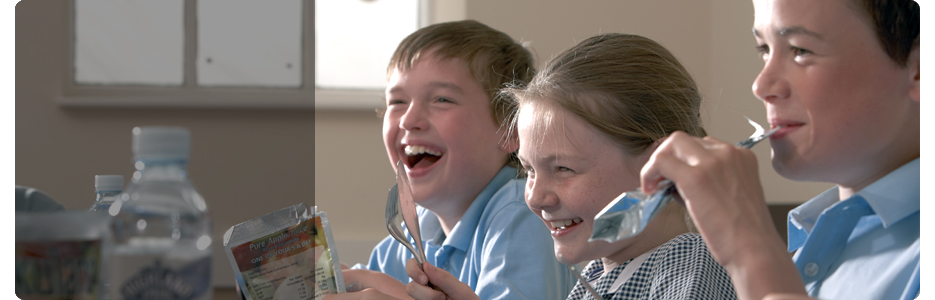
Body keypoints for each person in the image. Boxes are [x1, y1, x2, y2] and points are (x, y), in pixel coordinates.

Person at [406, 33, 739, 300]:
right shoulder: (596, 273)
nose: (535, 197)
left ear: (661, 169)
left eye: (563, 169)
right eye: (529, 170)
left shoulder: (689, 267)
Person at [638, 0, 920, 299]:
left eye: (801, 50)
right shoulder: (812, 239)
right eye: (764, 49)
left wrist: (750, 250)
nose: (761, 85)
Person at [326, 20, 576, 300]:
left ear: (509, 128)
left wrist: (374, 283)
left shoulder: (521, 215)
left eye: (442, 100)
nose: (409, 119)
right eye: (397, 102)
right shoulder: (410, 231)